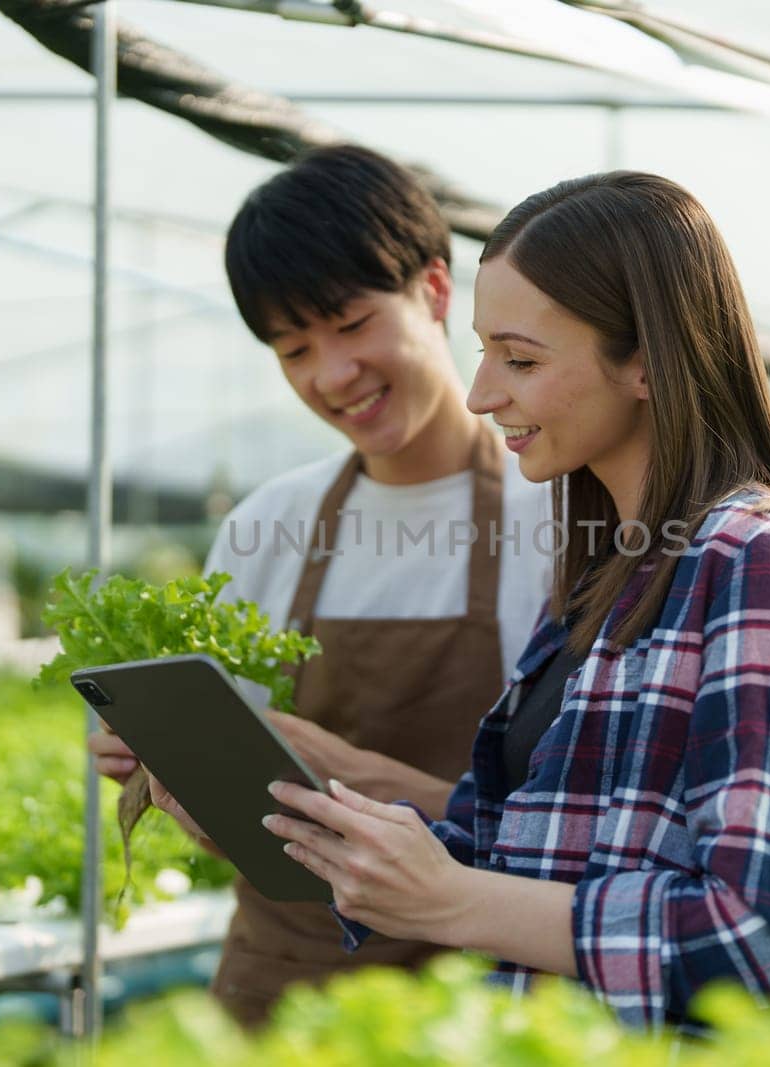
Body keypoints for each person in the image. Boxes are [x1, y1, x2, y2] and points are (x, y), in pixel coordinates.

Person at [260, 171, 770, 1030]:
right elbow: (503, 846)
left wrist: (454, 901)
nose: (482, 393)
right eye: (483, 352)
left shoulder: (761, 563)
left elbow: (758, 938)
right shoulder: (604, 573)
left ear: (649, 363)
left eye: (520, 359)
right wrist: (302, 813)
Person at [87, 145, 553, 1027]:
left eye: (349, 324)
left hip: (478, 992)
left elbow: (585, 824)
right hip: (281, 987)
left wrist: (367, 781)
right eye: (294, 348)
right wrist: (175, 772)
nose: (330, 375)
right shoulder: (272, 524)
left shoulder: (561, 515)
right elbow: (243, 818)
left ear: (436, 290)